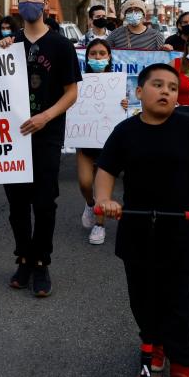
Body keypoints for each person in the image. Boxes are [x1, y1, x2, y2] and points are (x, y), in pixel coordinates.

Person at [94, 63, 189, 377]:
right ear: (139, 92)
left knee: (179, 300)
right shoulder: (124, 132)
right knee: (142, 299)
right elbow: (105, 170)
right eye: (157, 85)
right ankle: (153, 348)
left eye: (172, 87)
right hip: (136, 229)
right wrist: (104, 199)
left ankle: (181, 363)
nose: (165, 91)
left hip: (179, 229)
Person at [0, 0, 81, 297]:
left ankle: (42, 262)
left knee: (45, 203)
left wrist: (47, 115)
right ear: (16, 4)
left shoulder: (61, 46)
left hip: (46, 136)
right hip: (12, 138)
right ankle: (24, 258)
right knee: (17, 205)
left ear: (45, 3)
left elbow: (71, 92)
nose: (30, 2)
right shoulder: (8, 45)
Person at [76, 39, 128, 245]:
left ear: (109, 57)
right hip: (86, 142)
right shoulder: (78, 80)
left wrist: (123, 104)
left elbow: (126, 111)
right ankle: (90, 205)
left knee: (101, 188)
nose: (97, 57)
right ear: (87, 57)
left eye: (102, 54)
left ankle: (99, 225)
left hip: (109, 145)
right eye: (93, 54)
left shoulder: (116, 82)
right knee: (85, 182)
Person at [106, 0, 170, 50]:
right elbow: (104, 51)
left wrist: (167, 49)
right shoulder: (115, 34)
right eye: (130, 10)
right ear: (125, 15)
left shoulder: (156, 36)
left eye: (137, 10)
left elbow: (162, 58)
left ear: (143, 14)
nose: (133, 13)